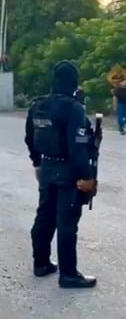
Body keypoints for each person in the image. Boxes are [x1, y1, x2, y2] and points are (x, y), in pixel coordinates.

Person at [24, 60, 98, 288]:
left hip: (46, 167)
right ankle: (68, 275)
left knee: (45, 216)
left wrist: (37, 163)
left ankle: (41, 263)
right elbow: (78, 145)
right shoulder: (73, 108)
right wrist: (86, 177)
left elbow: (30, 138)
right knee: (67, 223)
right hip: (68, 171)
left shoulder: (38, 105)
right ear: (74, 81)